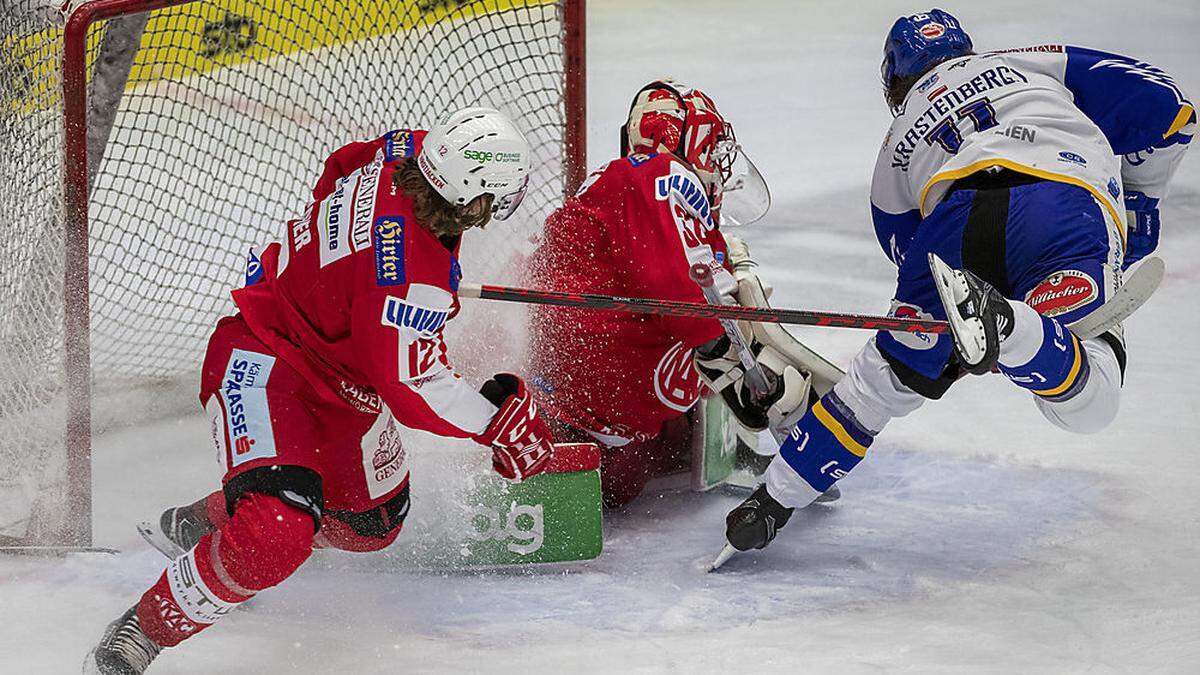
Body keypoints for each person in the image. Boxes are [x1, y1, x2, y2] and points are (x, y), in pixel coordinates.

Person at [86, 108, 558, 674]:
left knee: (371, 523)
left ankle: (203, 523)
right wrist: (495, 424)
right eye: (500, 197)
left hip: (339, 376)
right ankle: (142, 631)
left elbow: (340, 167)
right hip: (264, 360)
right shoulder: (411, 277)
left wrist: (349, 274)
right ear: (472, 196)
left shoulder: (407, 151)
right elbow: (410, 385)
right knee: (277, 534)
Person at [721, 9, 1193, 551]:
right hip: (1061, 204)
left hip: (950, 226)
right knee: (1091, 400)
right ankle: (1016, 330)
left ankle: (769, 504)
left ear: (894, 79)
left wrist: (942, 351)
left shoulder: (893, 147)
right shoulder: (1026, 64)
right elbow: (1167, 107)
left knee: (879, 385)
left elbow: (906, 253)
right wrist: (1141, 198)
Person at [528, 80, 817, 508]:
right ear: (682, 136)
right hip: (566, 432)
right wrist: (742, 363)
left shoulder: (637, 187)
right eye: (713, 147)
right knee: (711, 345)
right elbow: (680, 296)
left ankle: (687, 444)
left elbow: (690, 281)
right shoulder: (655, 175)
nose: (719, 162)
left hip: (611, 436)